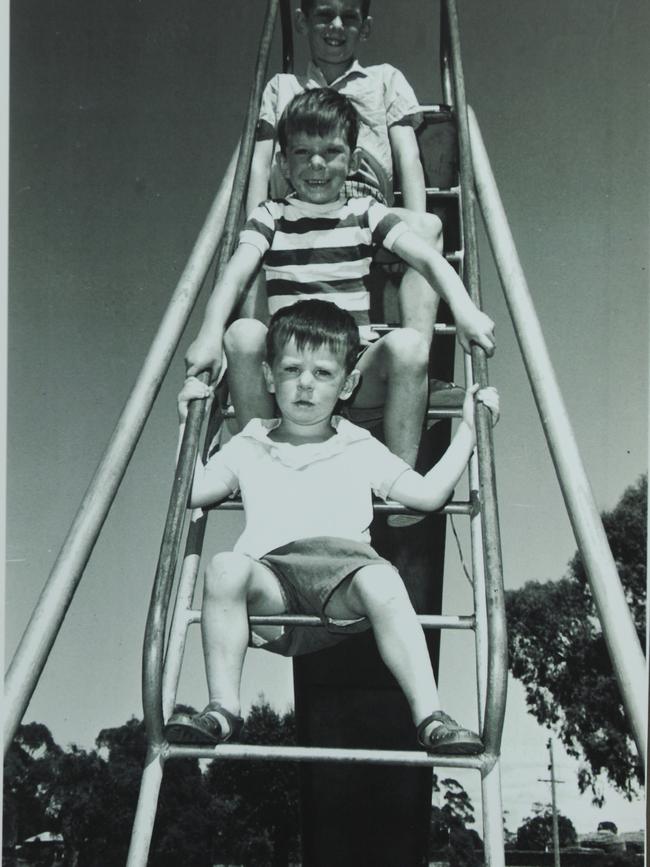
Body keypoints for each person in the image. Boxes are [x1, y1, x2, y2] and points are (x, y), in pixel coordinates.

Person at [165, 299, 500, 754]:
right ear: (267, 377)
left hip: (344, 582)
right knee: (224, 566)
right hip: (275, 585)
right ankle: (223, 709)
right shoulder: (250, 441)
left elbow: (426, 495)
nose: (305, 384)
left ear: (348, 384)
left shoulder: (356, 443)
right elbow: (192, 491)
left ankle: (430, 717)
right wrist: (189, 425)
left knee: (383, 579)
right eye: (290, 370)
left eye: (322, 373)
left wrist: (469, 432)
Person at [185, 88, 495, 469]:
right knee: (241, 334)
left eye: (331, 152)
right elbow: (233, 277)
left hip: (353, 375)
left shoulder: (365, 212)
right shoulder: (270, 216)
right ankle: (264, 467)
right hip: (288, 375)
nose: (317, 164)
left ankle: (398, 476)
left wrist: (465, 311)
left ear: (353, 162)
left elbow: (428, 260)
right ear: (283, 163)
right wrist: (208, 333)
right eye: (302, 152)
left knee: (410, 346)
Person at [242, 0, 446, 343]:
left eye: (348, 18)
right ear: (302, 21)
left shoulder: (385, 79)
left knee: (428, 228)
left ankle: (414, 357)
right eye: (324, 15)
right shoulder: (282, 87)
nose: (336, 25)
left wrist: (407, 225)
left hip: (364, 208)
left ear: (364, 28)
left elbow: (408, 156)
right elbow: (261, 162)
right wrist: (254, 229)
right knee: (247, 251)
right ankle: (260, 352)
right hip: (298, 205)